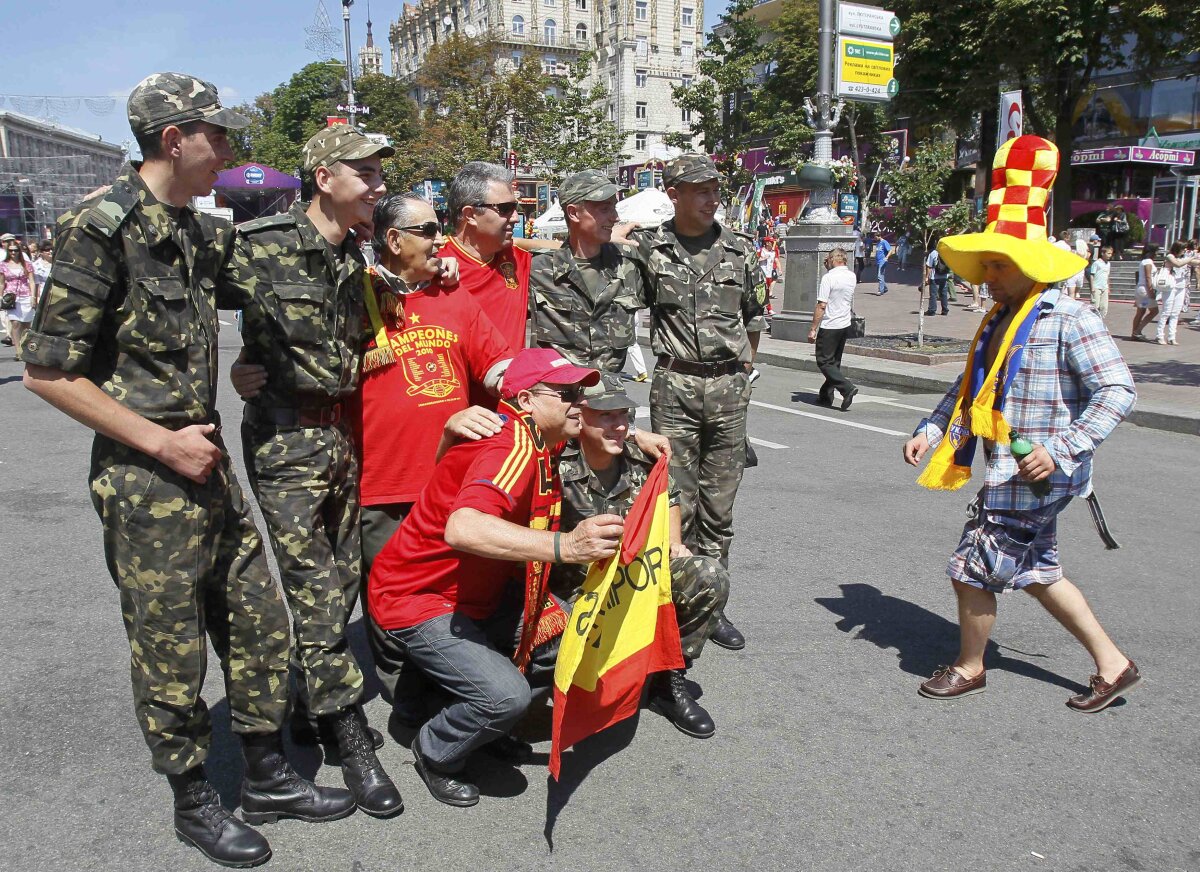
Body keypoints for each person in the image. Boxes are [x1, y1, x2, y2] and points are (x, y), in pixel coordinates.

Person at [21, 72, 354, 869]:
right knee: (171, 649)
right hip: (148, 476)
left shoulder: (200, 233)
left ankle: (268, 772)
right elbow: (47, 371)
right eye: (221, 137)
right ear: (176, 139)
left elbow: (283, 271)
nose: (232, 154)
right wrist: (160, 442)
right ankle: (194, 798)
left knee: (258, 623)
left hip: (206, 463)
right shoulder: (97, 229)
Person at [902, 135, 1139, 713]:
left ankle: (969, 666)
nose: (987, 274)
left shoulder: (1069, 317)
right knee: (1038, 572)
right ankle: (1114, 665)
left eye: (998, 264)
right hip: (1010, 468)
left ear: (1030, 265)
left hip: (1035, 475)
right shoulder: (998, 321)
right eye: (985, 263)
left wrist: (1060, 450)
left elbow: (1118, 390)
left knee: (970, 568)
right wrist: (933, 429)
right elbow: (969, 391)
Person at [227, 124, 403, 818]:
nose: (379, 186)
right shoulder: (259, 244)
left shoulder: (353, 256)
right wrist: (230, 374)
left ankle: (306, 699)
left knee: (343, 580)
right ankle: (349, 732)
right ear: (325, 177)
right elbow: (179, 307)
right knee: (312, 586)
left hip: (341, 438)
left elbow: (381, 319)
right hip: (284, 439)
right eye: (367, 173)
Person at [368, 348, 607, 807]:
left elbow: (601, 426)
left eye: (581, 392)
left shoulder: (541, 435)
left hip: (477, 590)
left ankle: (474, 722)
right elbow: (464, 528)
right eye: (566, 393)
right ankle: (436, 751)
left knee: (566, 634)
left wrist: (635, 435)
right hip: (418, 596)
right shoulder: (511, 445)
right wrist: (568, 547)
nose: (580, 402)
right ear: (524, 400)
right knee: (504, 698)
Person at [627, 154, 765, 650]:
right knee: (674, 506)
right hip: (675, 388)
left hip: (729, 390)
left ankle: (713, 605)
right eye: (700, 190)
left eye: (715, 190)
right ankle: (671, 607)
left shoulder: (739, 249)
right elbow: (621, 299)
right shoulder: (649, 249)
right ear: (675, 194)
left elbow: (754, 317)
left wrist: (746, 372)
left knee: (719, 509)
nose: (711, 199)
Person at [553, 374, 729, 738]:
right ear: (578, 416)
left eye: (625, 416)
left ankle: (668, 677)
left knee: (708, 576)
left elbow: (671, 499)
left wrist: (673, 543)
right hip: (572, 590)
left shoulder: (642, 457)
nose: (619, 425)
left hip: (633, 580)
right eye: (606, 416)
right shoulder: (554, 457)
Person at [530, 169, 645, 373]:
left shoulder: (628, 265)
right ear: (573, 213)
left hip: (610, 399)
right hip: (556, 399)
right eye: (604, 208)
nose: (615, 217)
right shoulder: (538, 269)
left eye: (614, 207)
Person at [440, 161, 532, 371]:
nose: (516, 218)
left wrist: (610, 240)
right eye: (505, 209)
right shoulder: (434, 265)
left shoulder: (518, 258)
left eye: (515, 208)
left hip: (510, 398)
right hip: (459, 401)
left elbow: (568, 250)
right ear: (470, 214)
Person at [807, 247, 858, 409]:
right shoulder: (851, 276)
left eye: (828, 259)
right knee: (834, 362)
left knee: (824, 361)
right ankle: (825, 395)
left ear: (833, 260)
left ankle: (847, 388)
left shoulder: (828, 278)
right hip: (844, 323)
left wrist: (813, 328)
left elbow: (822, 305)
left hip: (830, 324)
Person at [1157, 241, 1200, 345]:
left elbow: (1195, 262)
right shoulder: (1170, 256)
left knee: (1175, 313)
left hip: (1181, 287)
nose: (1184, 251)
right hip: (1170, 287)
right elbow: (1178, 264)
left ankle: (1172, 336)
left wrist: (1194, 259)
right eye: (1183, 249)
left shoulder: (1183, 257)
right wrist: (1190, 258)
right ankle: (1160, 335)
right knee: (1166, 311)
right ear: (1177, 248)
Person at [1, 235, 37, 358]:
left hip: (26, 295)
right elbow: (1, 283)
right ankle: (18, 351)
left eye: (15, 250)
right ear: (8, 251)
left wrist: (33, 297)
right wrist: (0, 298)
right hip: (11, 297)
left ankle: (26, 346)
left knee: (26, 324)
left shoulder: (26, 264)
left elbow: (32, 281)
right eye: (10, 250)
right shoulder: (3, 265)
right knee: (15, 324)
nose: (13, 253)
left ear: (19, 251)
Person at [1131, 243, 1160, 341]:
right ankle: (1137, 330)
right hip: (1145, 291)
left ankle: (1134, 333)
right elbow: (1148, 277)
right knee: (1154, 311)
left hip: (1141, 290)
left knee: (1141, 311)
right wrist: (1151, 291)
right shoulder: (1148, 262)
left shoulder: (1144, 261)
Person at [924, 241, 951, 316]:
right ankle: (945, 310)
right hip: (944, 276)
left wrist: (927, 277)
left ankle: (932, 310)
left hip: (934, 277)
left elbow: (929, 266)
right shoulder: (947, 253)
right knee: (944, 294)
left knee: (933, 294)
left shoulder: (933, 253)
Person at [1089, 245, 1112, 318]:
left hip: (1104, 287)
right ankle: (1093, 320)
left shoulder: (1108, 264)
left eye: (1111, 253)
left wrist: (1108, 287)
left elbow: (1107, 276)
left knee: (1104, 307)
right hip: (1096, 287)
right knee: (1095, 306)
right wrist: (1092, 287)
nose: (1110, 255)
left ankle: (1100, 320)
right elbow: (1092, 275)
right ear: (1102, 253)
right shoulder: (1096, 263)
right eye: (1108, 253)